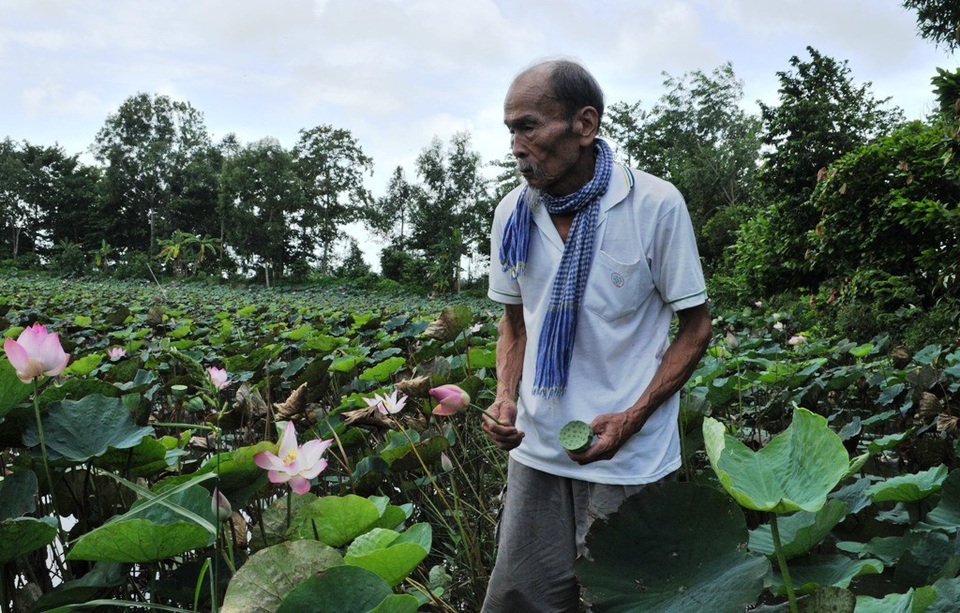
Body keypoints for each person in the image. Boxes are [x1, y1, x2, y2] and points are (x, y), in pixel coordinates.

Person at [481, 58, 713, 612]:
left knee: (625, 600)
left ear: (584, 125)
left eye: (529, 126)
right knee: (521, 596)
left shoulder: (654, 204)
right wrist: (505, 397)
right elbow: (513, 321)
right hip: (536, 449)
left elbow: (696, 326)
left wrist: (633, 417)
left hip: (627, 453)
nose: (516, 145)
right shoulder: (512, 213)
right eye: (510, 129)